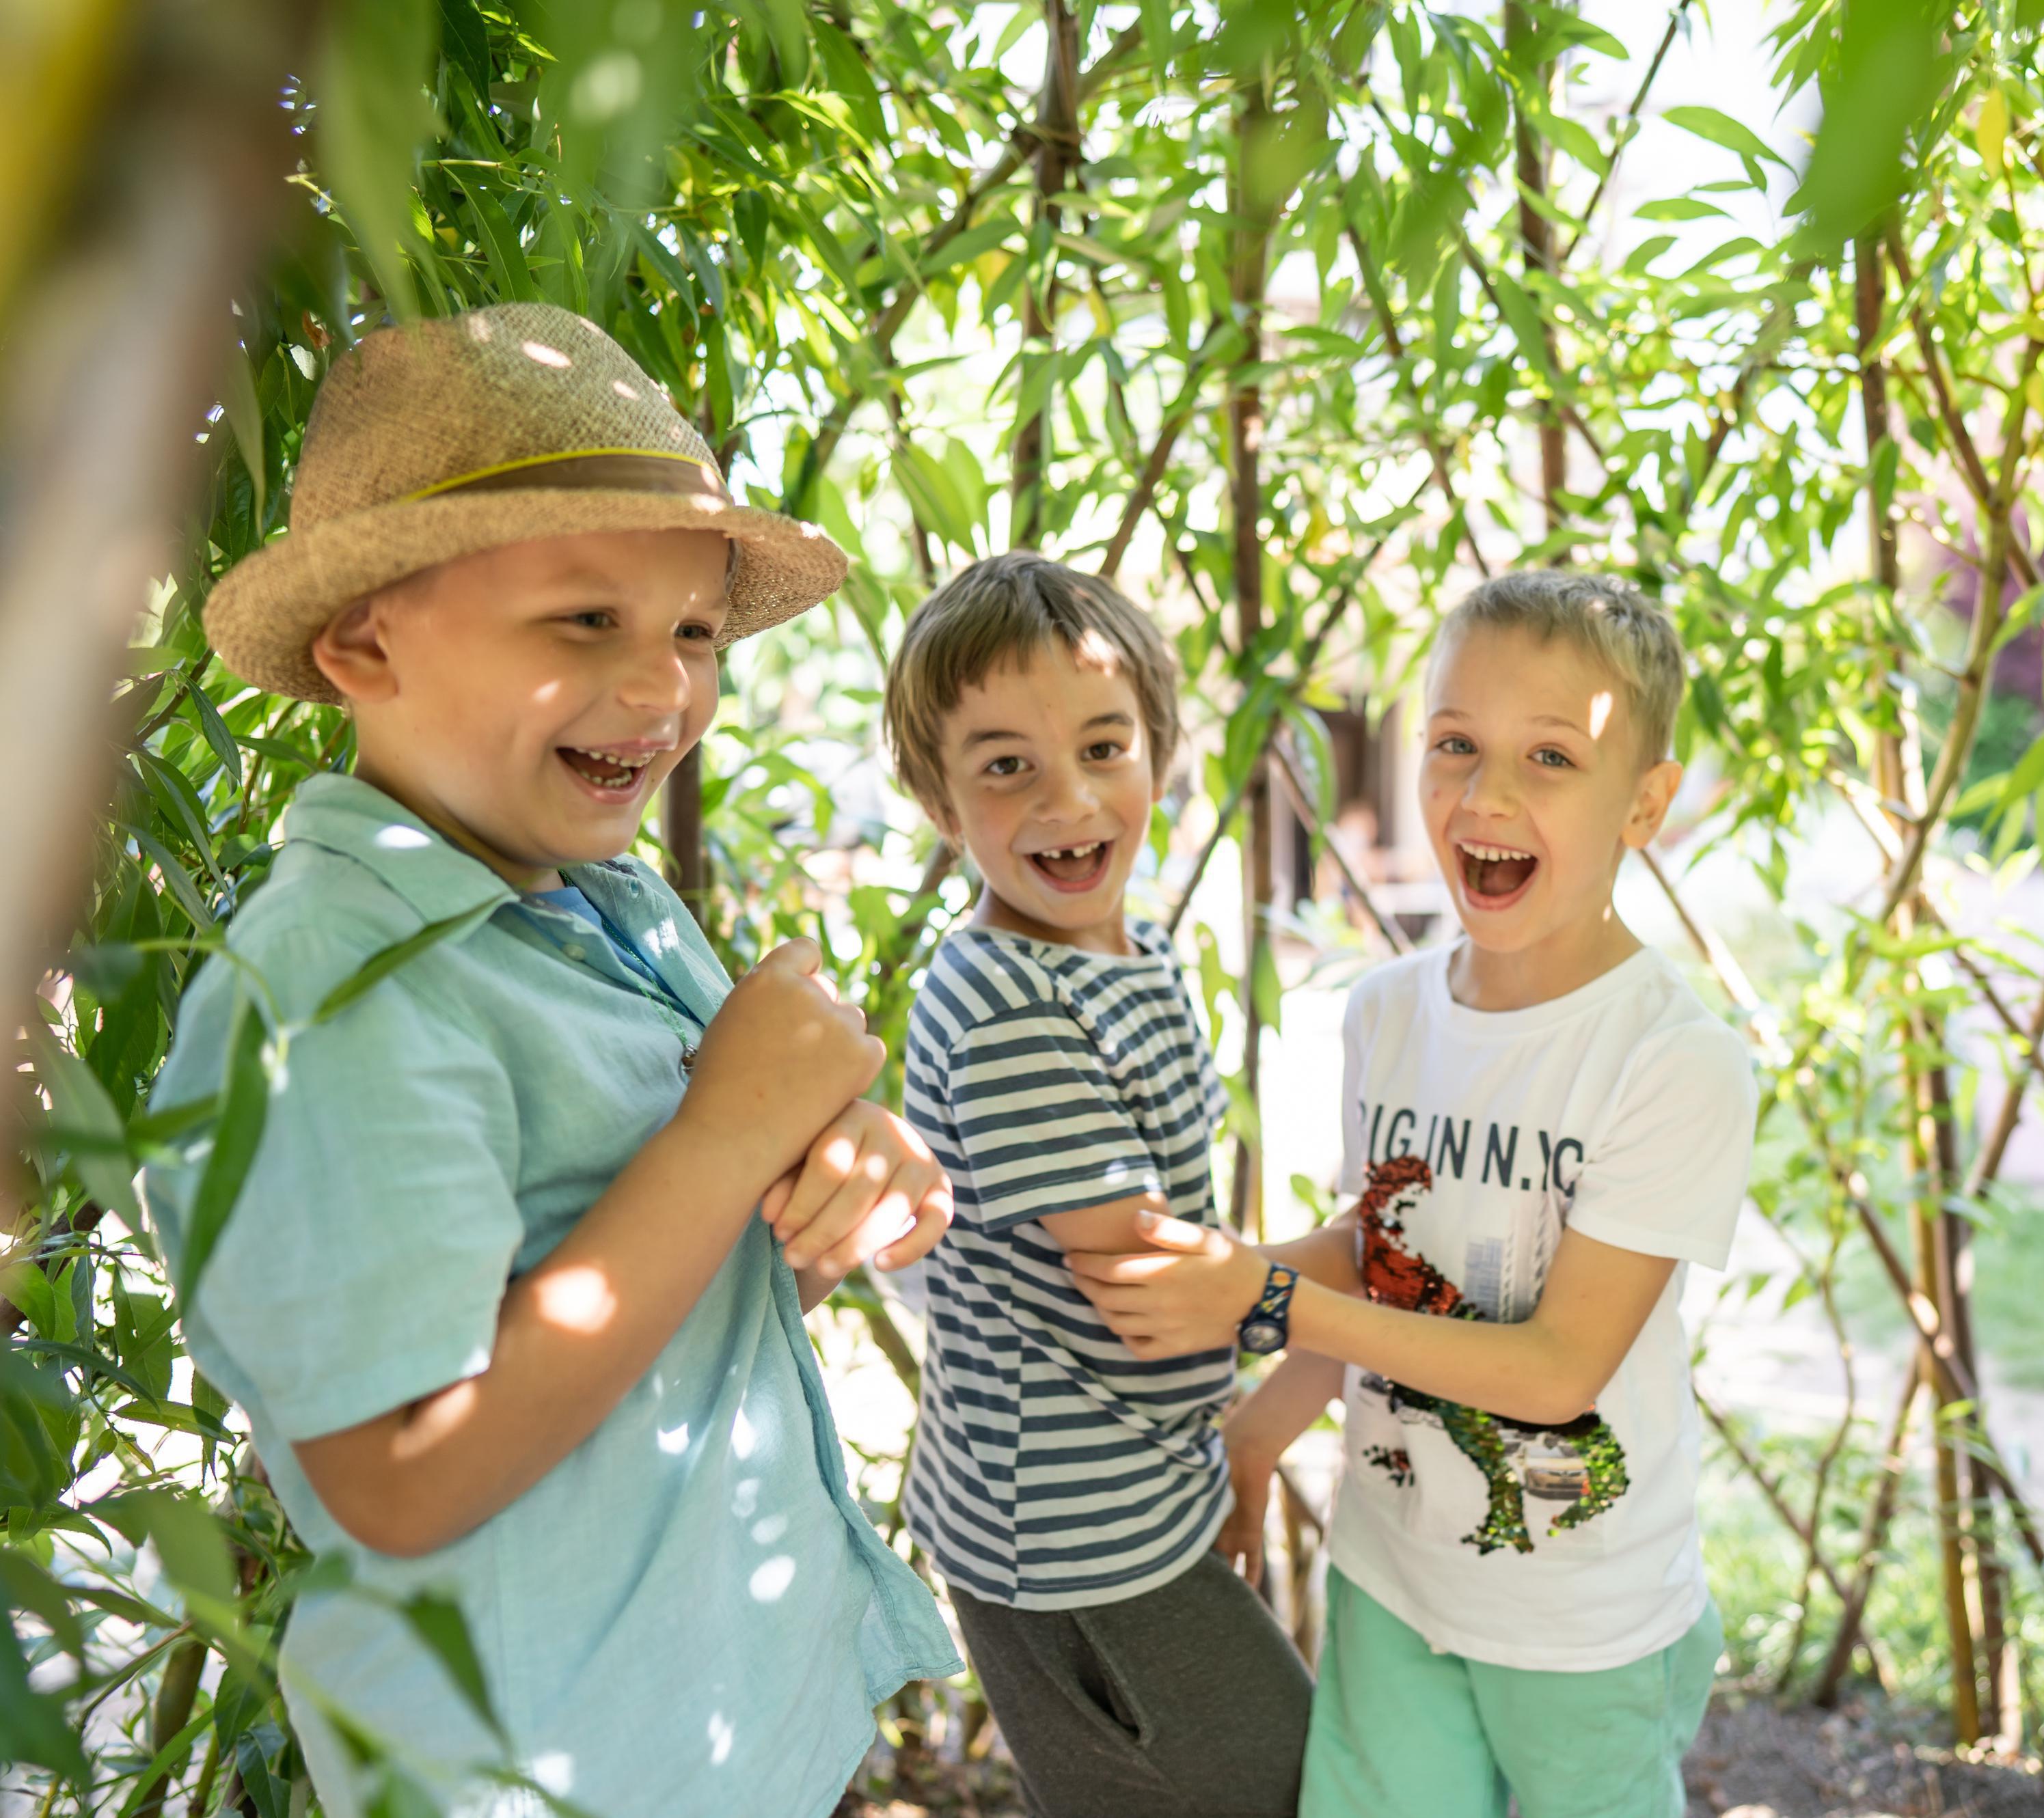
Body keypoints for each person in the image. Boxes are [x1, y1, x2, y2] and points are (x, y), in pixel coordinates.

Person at [144, 302, 962, 1818]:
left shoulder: (600, 903)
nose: (661, 691)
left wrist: (832, 1171)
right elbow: (397, 1478)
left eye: (692, 631)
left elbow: (672, 1262)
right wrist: (723, 1136)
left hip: (712, 1721)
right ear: (364, 638)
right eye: (585, 620)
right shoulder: (330, 989)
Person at [1064, 571, 1760, 1818]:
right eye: (1455, 746)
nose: (1488, 797)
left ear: (1645, 802)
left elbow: (1557, 1372)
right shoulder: (1387, 1012)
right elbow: (1380, 1255)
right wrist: (1262, 1417)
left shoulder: (1672, 1057)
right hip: (1390, 1577)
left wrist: (1266, 1296)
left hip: (1582, 1622)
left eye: (1551, 756)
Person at [880, 552, 1314, 1818]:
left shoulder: (1133, 948)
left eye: (1104, 747)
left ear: (1161, 750)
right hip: (1072, 1534)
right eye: (1006, 764)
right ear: (939, 800)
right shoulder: (1011, 997)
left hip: (1132, 1480)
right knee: (1276, 1783)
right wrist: (1356, 1266)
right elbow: (1141, 1278)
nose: (1066, 800)